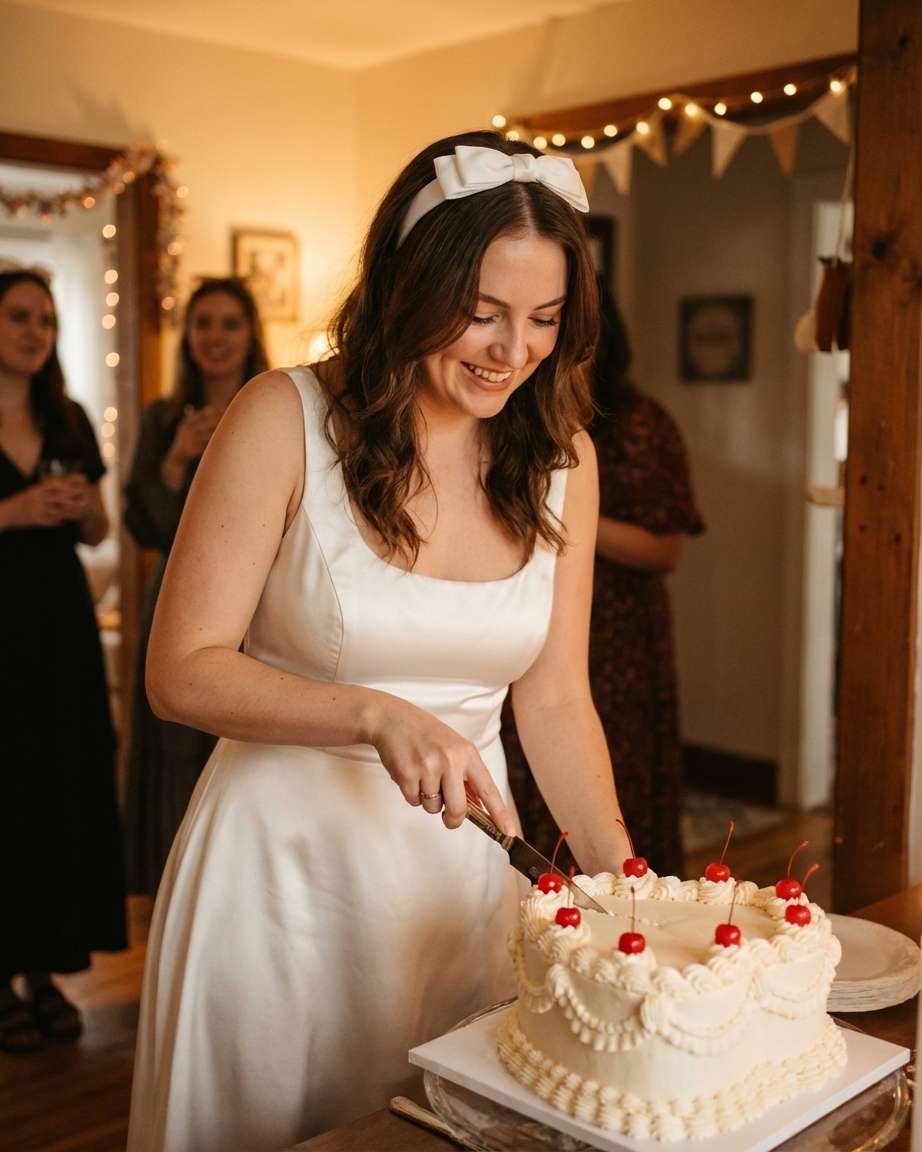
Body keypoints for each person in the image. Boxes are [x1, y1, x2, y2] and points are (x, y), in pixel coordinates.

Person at [127, 131, 629, 1152]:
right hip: (279, 882)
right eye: (481, 314)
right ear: (410, 285)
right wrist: (370, 711)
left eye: (542, 320)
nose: (511, 350)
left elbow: (555, 698)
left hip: (459, 888)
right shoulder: (283, 417)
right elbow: (178, 673)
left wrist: (620, 878)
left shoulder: (560, 457)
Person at [503, 282, 704, 876]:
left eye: (548, 320)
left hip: (620, 635)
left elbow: (667, 547)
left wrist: (570, 525)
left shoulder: (642, 424)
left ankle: (624, 894)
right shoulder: (515, 420)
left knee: (614, 770)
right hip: (530, 622)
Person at [0, 267, 127, 1054]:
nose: (33, 330)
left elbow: (99, 530)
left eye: (44, 319)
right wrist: (12, 510)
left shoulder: (68, 414)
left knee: (56, 789)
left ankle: (44, 968)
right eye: (17, 316)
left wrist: (80, 510)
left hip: (58, 631)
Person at [123, 277, 269, 897]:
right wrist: (176, 460)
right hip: (179, 601)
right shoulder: (163, 417)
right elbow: (143, 523)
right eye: (203, 323)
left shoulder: (274, 408)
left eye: (229, 323)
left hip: (261, 604)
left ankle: (247, 890)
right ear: (188, 336)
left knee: (249, 745)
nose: (215, 337)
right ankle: (181, 893)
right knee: (179, 747)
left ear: (249, 334)